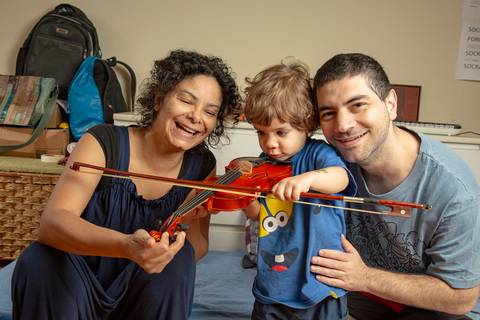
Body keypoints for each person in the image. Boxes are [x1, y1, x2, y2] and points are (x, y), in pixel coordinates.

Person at [11, 49, 242, 320]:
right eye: (186, 100)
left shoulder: (201, 164)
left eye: (210, 111)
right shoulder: (101, 141)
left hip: (141, 288)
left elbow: (198, 245)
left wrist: (184, 221)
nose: (196, 116)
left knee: (178, 262)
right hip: (75, 276)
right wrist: (126, 246)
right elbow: (52, 224)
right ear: (159, 100)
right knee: (40, 260)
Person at [310, 53, 480, 320]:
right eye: (329, 113)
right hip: (360, 297)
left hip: (433, 309)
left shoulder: (454, 191)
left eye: (357, 105)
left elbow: (460, 298)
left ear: (390, 103)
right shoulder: (330, 164)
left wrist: (364, 277)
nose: (343, 125)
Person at [242, 61, 356, 320]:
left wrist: (307, 179)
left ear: (306, 124)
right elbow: (259, 215)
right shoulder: (262, 165)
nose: (270, 143)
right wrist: (243, 198)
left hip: (320, 283)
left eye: (281, 132)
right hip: (273, 282)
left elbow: (340, 179)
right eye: (261, 132)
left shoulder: (320, 154)